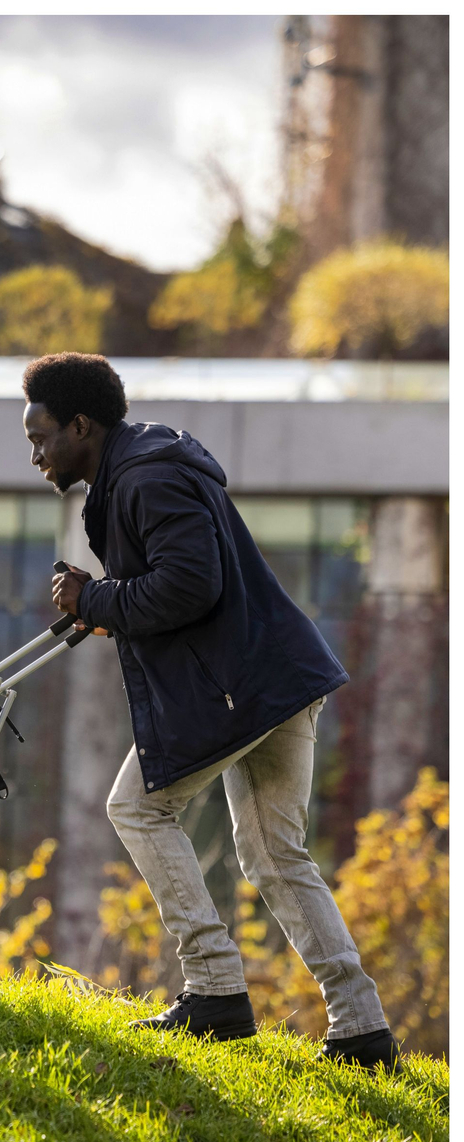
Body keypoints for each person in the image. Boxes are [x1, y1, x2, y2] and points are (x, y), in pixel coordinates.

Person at [22, 350, 399, 1070]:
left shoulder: (146, 475)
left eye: (42, 438)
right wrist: (99, 600)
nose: (35, 455)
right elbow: (181, 581)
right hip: (276, 677)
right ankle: (362, 1028)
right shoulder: (148, 466)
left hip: (240, 688)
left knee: (137, 809)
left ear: (81, 424)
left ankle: (216, 990)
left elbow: (191, 585)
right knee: (276, 855)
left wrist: (95, 599)